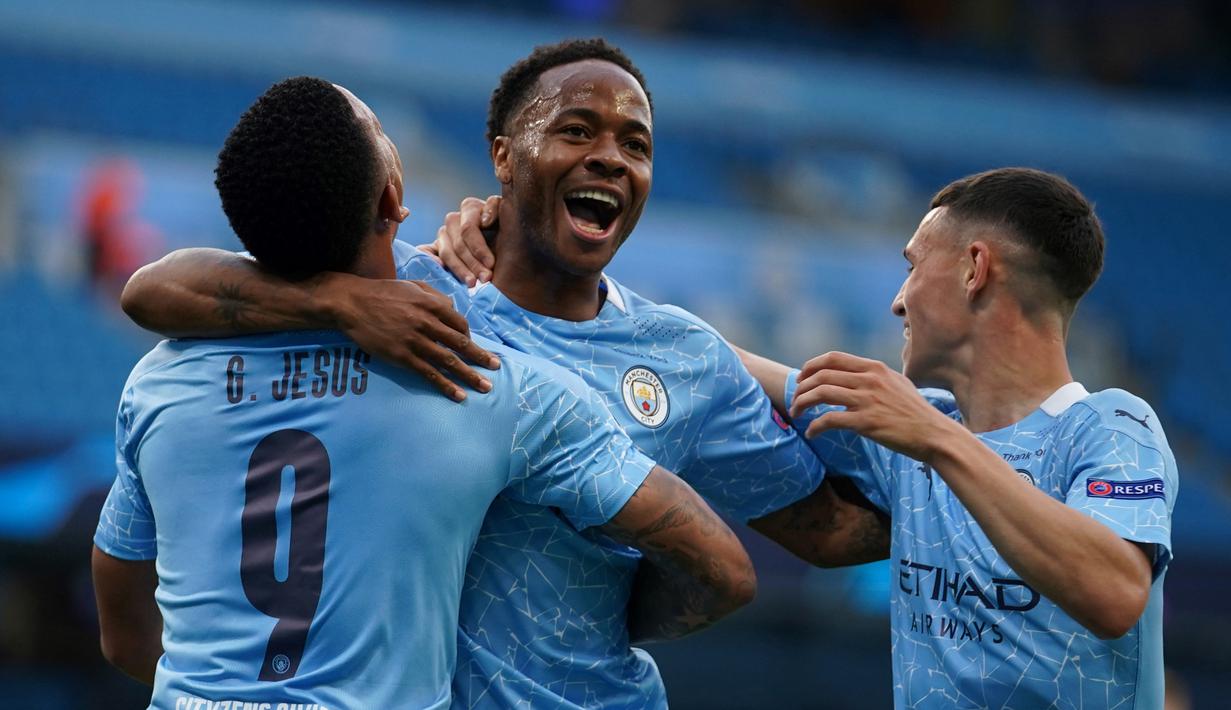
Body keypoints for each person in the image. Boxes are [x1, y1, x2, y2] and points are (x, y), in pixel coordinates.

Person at [119, 39, 841, 709]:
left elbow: (826, 536)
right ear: (502, 155)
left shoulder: (684, 354)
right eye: (576, 130)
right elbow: (152, 289)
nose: (610, 157)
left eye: (635, 144)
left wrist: (610, 614)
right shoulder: (416, 288)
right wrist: (343, 301)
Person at [742, 168, 1178, 708]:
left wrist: (937, 439)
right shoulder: (915, 428)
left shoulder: (1112, 426)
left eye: (912, 266)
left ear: (975, 269)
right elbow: (734, 370)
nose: (898, 302)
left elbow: (1114, 595)